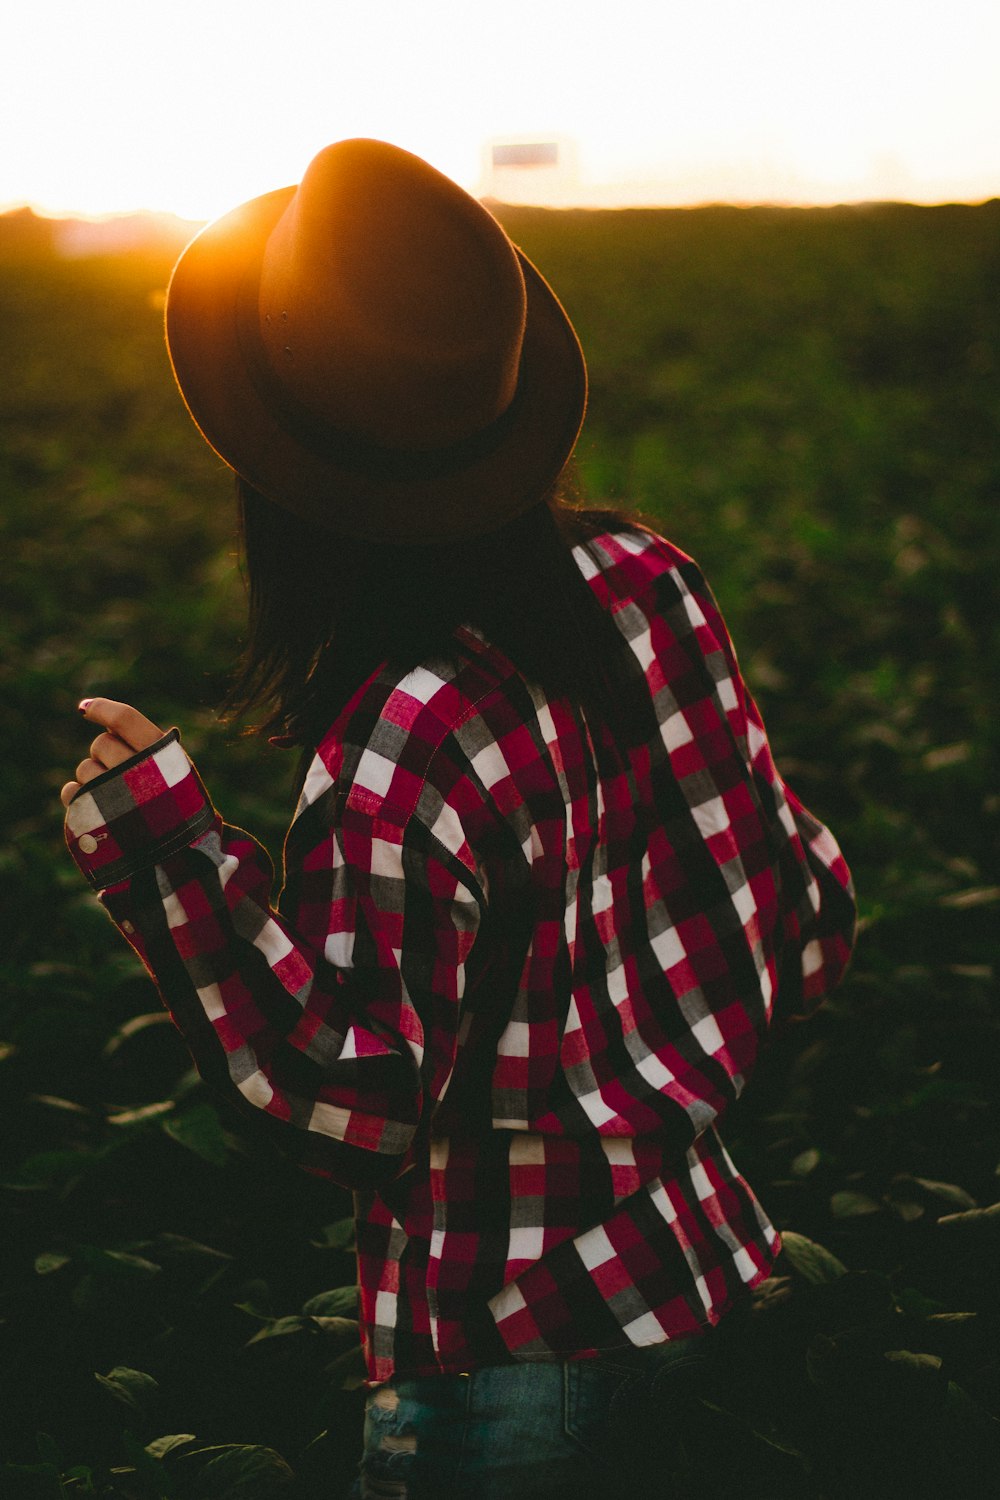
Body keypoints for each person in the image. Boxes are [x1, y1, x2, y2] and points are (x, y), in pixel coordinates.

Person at [61, 139, 856, 1498]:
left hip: (508, 1370)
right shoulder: (648, 582)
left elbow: (347, 1105)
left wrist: (171, 857)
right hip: (708, 1266)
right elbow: (801, 907)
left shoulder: (402, 744)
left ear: (287, 479)